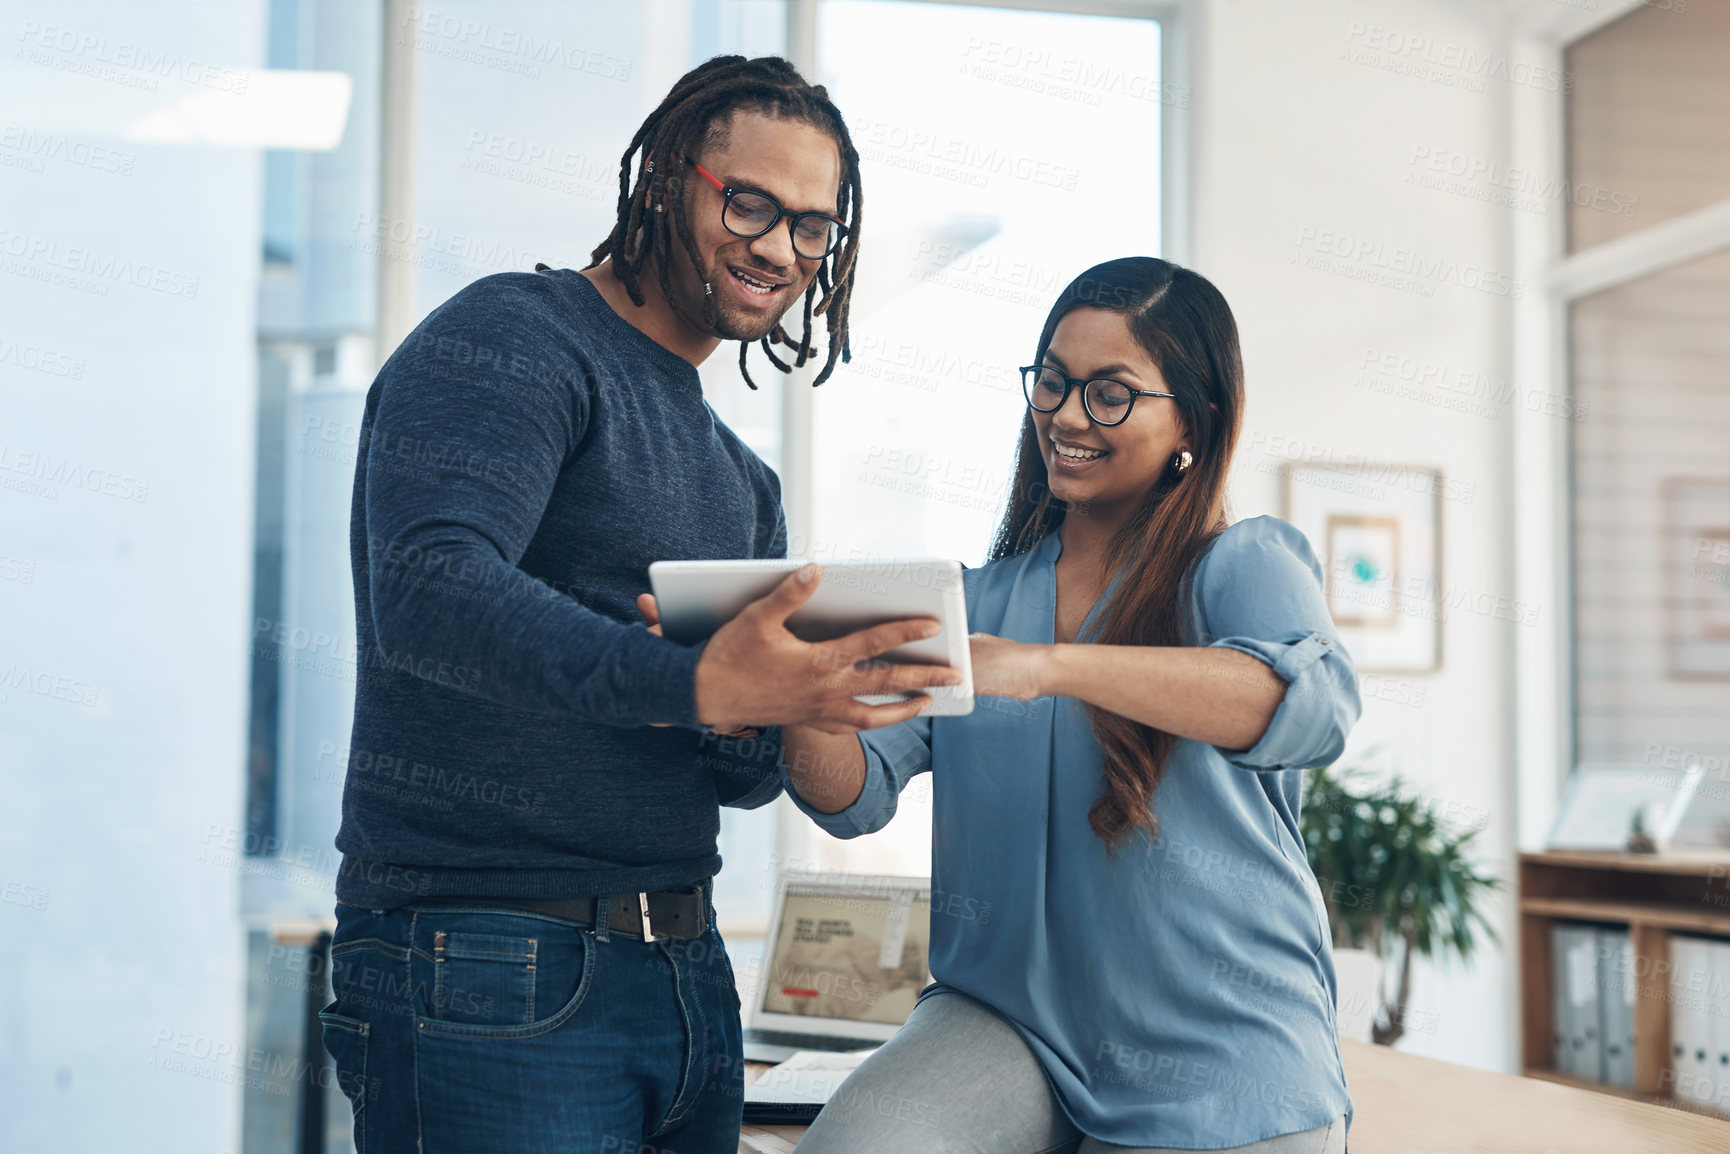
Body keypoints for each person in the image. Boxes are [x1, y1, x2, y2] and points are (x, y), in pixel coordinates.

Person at [319, 56, 959, 1154]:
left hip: (682, 973)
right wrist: (695, 676)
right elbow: (428, 586)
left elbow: (733, 769)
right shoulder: (518, 338)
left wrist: (801, 695)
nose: (778, 249)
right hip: (489, 962)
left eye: (811, 227)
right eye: (749, 202)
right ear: (669, 177)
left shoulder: (739, 479)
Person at [779, 257, 1359, 1153]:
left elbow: (1303, 706)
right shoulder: (969, 601)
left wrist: (1054, 666)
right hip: (1006, 1018)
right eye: (1052, 381)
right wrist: (803, 690)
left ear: (1191, 424)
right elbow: (850, 797)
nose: (1066, 414)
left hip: (1213, 1042)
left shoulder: (1239, 565)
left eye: (1111, 393)